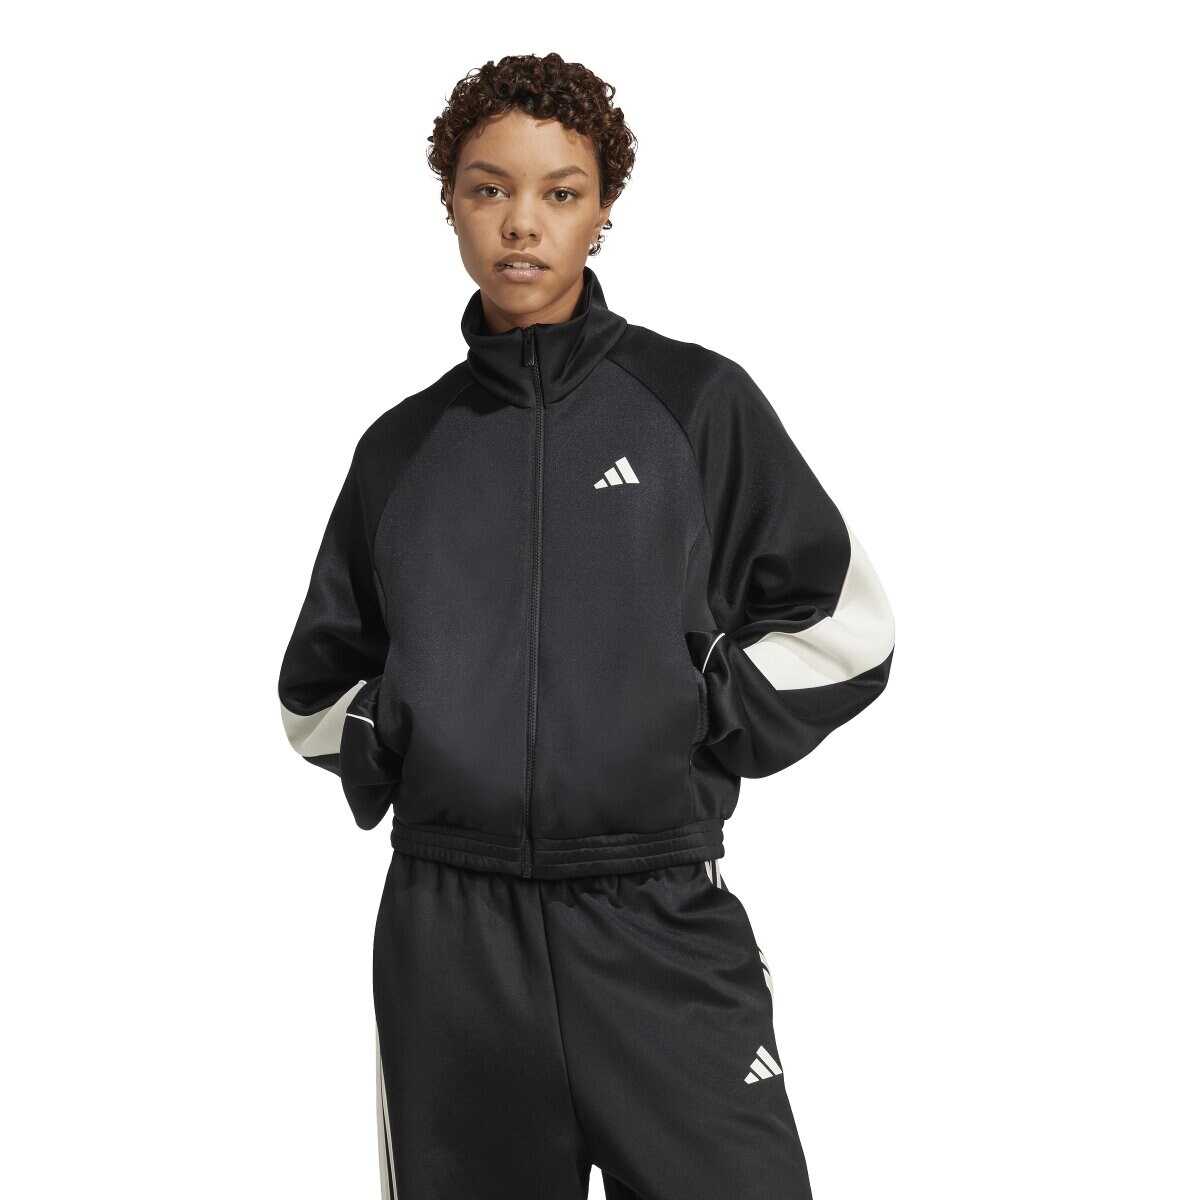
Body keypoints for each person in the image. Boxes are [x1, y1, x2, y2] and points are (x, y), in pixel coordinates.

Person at [277, 51, 895, 1200]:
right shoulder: (402, 452)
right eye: (489, 188)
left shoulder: (694, 406)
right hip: (452, 944)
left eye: (560, 192)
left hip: (654, 916)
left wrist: (686, 704)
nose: (522, 223)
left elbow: (844, 628)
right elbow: (314, 692)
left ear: (603, 210)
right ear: (449, 202)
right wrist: (411, 717)